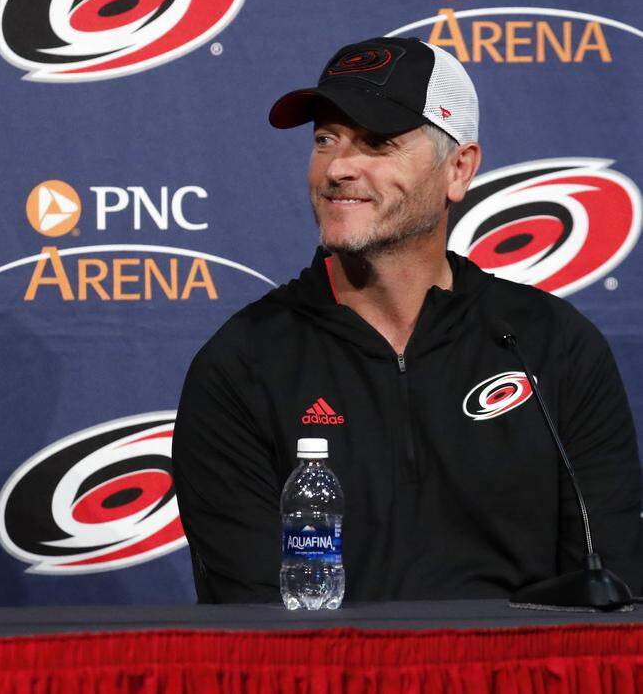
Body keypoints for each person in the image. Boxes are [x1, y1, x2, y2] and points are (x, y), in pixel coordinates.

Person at [173, 36, 643, 603]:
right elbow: (249, 620)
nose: (339, 167)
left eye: (377, 143)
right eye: (326, 139)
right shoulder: (242, 364)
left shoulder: (553, 345)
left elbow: (611, 593)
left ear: (459, 170)